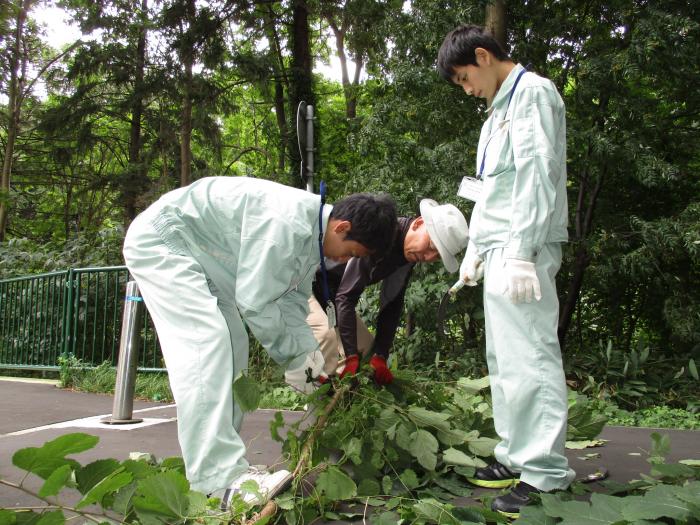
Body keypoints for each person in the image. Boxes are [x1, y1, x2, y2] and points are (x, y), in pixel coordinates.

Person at [122, 176, 397, 509]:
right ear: (341, 228)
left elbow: (291, 305)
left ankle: (227, 467)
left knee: (234, 343)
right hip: (164, 241)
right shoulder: (287, 224)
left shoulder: (309, 239)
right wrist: (299, 364)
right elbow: (257, 301)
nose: (343, 261)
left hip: (200, 258)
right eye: (350, 253)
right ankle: (217, 480)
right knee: (206, 343)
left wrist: (311, 370)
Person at [437, 25, 575, 518]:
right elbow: (488, 191)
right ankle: (515, 453)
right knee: (506, 360)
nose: (466, 88)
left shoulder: (533, 93)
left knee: (532, 356)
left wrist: (521, 251)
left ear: (483, 56)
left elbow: (538, 174)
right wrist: (475, 249)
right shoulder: (495, 113)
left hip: (525, 252)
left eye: (464, 77)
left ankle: (544, 471)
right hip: (498, 251)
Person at [285, 199, 468, 390]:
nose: (429, 257)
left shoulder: (408, 255)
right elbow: (346, 296)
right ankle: (316, 409)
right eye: (431, 246)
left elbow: (392, 303)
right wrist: (350, 356)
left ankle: (345, 409)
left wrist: (380, 355)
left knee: (368, 349)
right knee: (326, 338)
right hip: (305, 281)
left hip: (331, 295)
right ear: (419, 223)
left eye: (437, 255)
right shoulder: (380, 233)